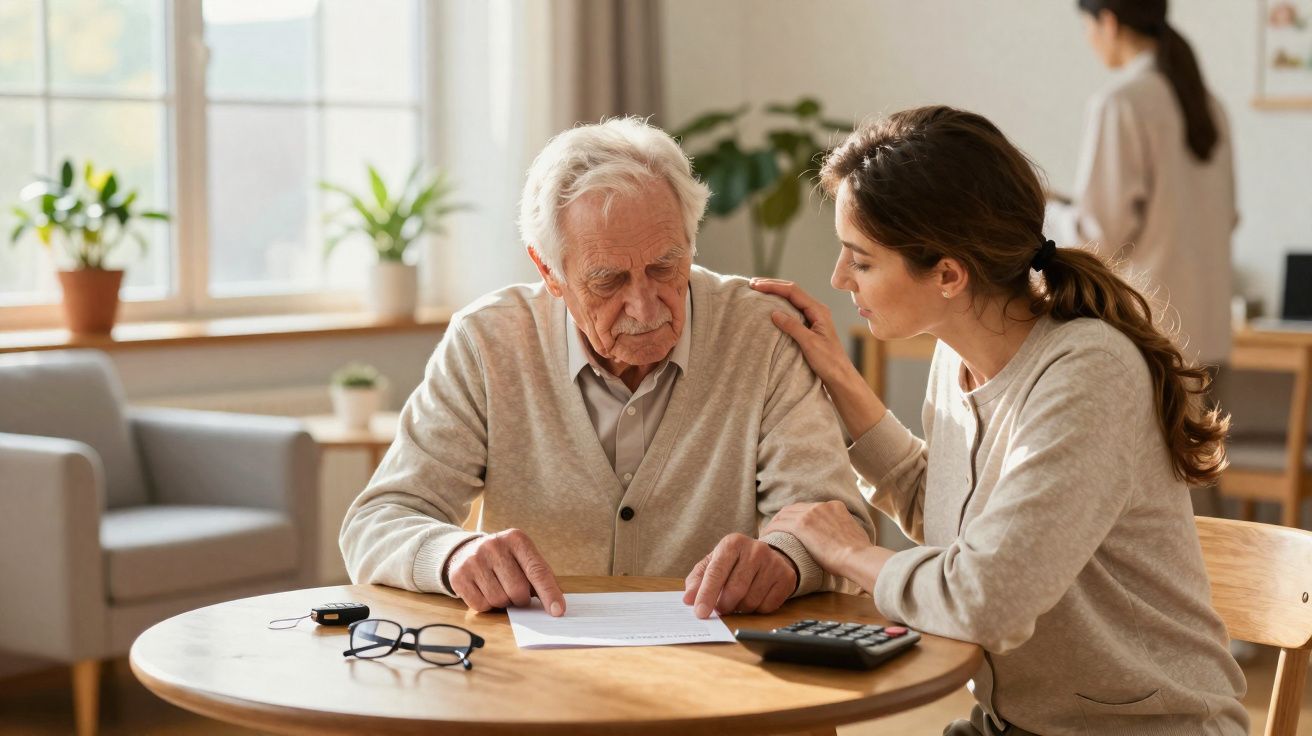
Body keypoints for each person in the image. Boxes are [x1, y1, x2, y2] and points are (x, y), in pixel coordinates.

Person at [745, 106, 1247, 734]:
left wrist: (851, 554)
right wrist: (840, 379)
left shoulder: (1089, 374)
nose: (839, 277)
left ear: (949, 274)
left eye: (862, 260)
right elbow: (953, 516)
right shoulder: (956, 356)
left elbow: (987, 599)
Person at [339, 117, 873, 619]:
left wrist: (784, 560)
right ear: (549, 271)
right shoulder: (488, 341)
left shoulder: (763, 335)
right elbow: (377, 522)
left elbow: (836, 522)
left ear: (690, 243)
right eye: (608, 281)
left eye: (666, 267)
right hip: (538, 684)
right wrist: (453, 554)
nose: (646, 307)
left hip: (720, 670)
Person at [1046, 0, 1237, 366]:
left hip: (1152, 337)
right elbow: (1221, 215)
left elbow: (1096, 238)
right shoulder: (1212, 107)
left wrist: (1048, 210)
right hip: (1209, 335)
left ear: (1108, 22)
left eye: (1087, 27)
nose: (1088, 39)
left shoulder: (1120, 103)